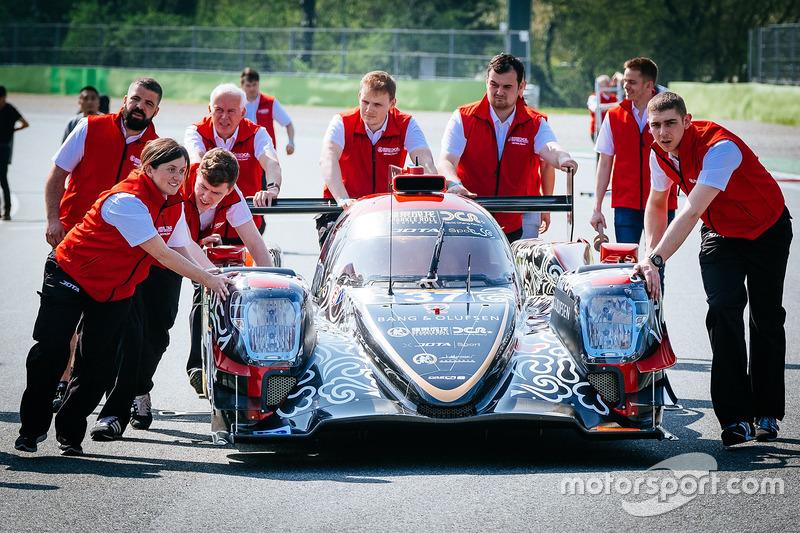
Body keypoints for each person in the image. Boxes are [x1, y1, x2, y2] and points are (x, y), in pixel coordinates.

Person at [14, 138, 237, 456]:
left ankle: (69, 432)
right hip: (72, 274)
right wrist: (206, 281)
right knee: (49, 352)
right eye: (170, 169)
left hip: (114, 288)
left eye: (183, 170)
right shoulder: (127, 200)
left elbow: (184, 245)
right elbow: (161, 252)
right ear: (149, 169)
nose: (178, 177)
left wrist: (213, 273)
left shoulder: (171, 203)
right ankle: (31, 430)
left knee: (97, 365)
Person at [634, 92, 792, 447]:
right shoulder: (658, 153)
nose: (662, 132)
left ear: (687, 120)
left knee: (766, 317)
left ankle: (767, 411)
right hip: (721, 232)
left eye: (670, 123)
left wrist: (657, 260)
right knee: (722, 311)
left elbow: (689, 212)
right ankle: (735, 418)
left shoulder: (720, 147)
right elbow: (658, 204)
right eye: (655, 125)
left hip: (767, 228)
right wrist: (649, 255)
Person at [90, 148, 274, 438]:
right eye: (202, 187)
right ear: (195, 175)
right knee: (131, 336)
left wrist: (271, 283)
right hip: (142, 256)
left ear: (229, 191)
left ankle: (140, 388)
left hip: (175, 264)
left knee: (158, 335)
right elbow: (183, 241)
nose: (205, 197)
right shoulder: (177, 183)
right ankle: (114, 413)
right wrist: (209, 274)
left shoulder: (234, 196)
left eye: (216, 193)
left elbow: (255, 242)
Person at [45, 77, 162, 411]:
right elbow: (56, 175)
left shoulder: (156, 148)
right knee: (66, 321)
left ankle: (111, 393)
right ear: (126, 99)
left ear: (156, 110)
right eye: (137, 99)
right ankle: (61, 381)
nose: (141, 107)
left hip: (119, 254)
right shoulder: (90, 127)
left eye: (149, 103)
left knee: (106, 329)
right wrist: (54, 219)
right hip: (73, 240)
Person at [183, 83, 282, 392]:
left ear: (243, 112)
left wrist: (273, 187)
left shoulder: (256, 132)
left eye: (231, 112)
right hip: (197, 225)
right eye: (218, 110)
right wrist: (210, 194)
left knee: (242, 292)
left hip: (239, 220)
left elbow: (271, 161)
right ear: (209, 110)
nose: (224, 117)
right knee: (204, 291)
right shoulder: (195, 132)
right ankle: (198, 363)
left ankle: (241, 359)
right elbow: (199, 161)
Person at [438, 53, 577, 243]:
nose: (499, 91)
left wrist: (563, 158)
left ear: (521, 87)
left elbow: (550, 147)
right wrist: (454, 185)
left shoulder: (535, 122)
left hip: (516, 220)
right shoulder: (463, 117)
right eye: (494, 84)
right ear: (486, 81)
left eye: (507, 86)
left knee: (516, 271)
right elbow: (446, 161)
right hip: (470, 216)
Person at [317, 70, 437, 246]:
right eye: (365, 101)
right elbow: (327, 158)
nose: (368, 109)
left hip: (387, 210)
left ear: (392, 104)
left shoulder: (406, 124)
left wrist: (432, 181)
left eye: (377, 105)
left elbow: (425, 160)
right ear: (359, 96)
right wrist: (343, 199)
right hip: (341, 208)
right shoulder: (342, 121)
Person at [590, 57, 677, 246]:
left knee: (656, 267)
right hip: (625, 206)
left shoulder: (669, 116)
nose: (626, 86)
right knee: (626, 266)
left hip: (662, 203)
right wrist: (597, 207)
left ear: (648, 85)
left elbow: (682, 157)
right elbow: (604, 163)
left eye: (632, 82)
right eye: (624, 82)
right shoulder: (613, 116)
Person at [240, 67, 295, 156]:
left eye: (254, 85)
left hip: (265, 151)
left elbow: (288, 123)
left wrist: (291, 142)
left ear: (259, 84)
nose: (252, 89)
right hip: (242, 152)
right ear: (241, 85)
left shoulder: (270, 102)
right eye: (248, 85)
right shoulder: (236, 104)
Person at [0, 86, 30, 220]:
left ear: (4, 97)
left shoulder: (10, 109)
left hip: (4, 147)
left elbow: (25, 123)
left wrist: (13, 131)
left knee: (2, 178)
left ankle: (7, 209)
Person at [586, 74, 619, 143]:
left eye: (609, 83)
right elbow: (596, 108)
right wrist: (615, 106)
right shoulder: (594, 97)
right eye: (606, 84)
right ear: (600, 86)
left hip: (614, 130)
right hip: (598, 131)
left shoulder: (615, 98)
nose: (609, 85)